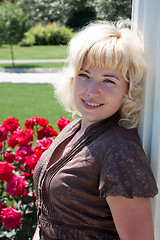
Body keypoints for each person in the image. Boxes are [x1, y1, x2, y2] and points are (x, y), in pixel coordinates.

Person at [33, 20, 158, 240]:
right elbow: (46, 218)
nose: (92, 91)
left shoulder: (120, 150)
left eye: (109, 80)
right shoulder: (74, 129)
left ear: (129, 89)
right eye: (84, 75)